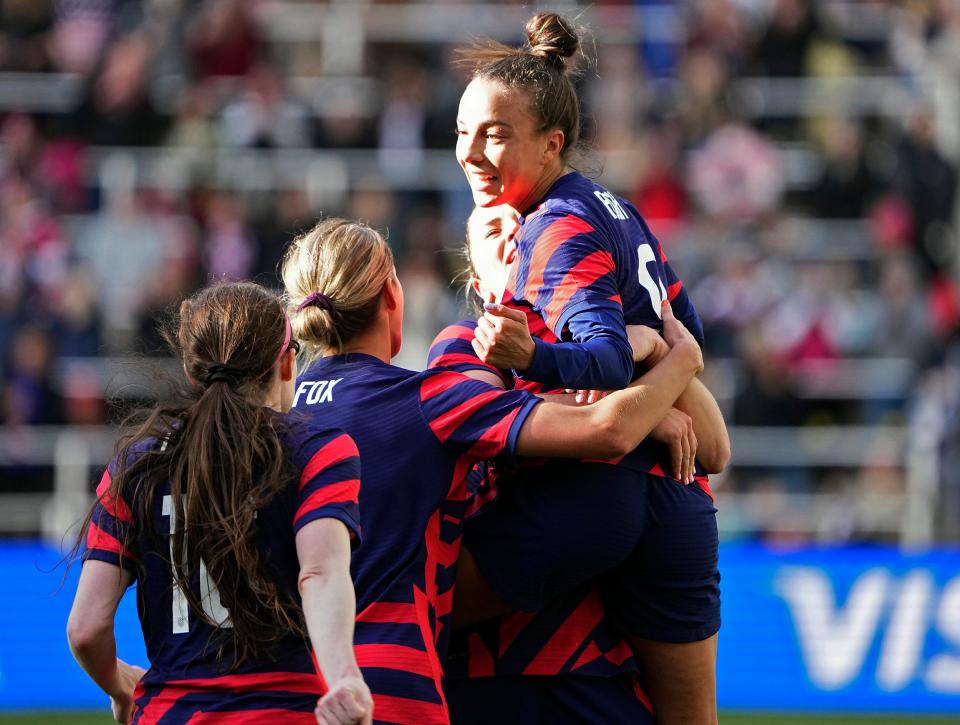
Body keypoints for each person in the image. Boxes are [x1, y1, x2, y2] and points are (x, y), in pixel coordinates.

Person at [281, 217, 703, 725]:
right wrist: (675, 358)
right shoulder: (425, 400)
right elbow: (609, 431)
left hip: (286, 683)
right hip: (392, 681)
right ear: (392, 294)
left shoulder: (265, 421)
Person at [454, 13, 725, 723]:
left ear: (551, 143)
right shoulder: (618, 211)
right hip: (680, 500)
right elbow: (684, 341)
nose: (473, 152)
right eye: (463, 133)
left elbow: (603, 355)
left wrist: (534, 354)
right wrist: (660, 365)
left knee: (407, 605)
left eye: (494, 133)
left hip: (590, 491)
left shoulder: (556, 226)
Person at [67, 282, 373, 725]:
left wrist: (119, 685)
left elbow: (86, 629)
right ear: (286, 363)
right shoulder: (319, 449)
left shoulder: (136, 464)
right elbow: (320, 574)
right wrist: (346, 678)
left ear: (192, 373)